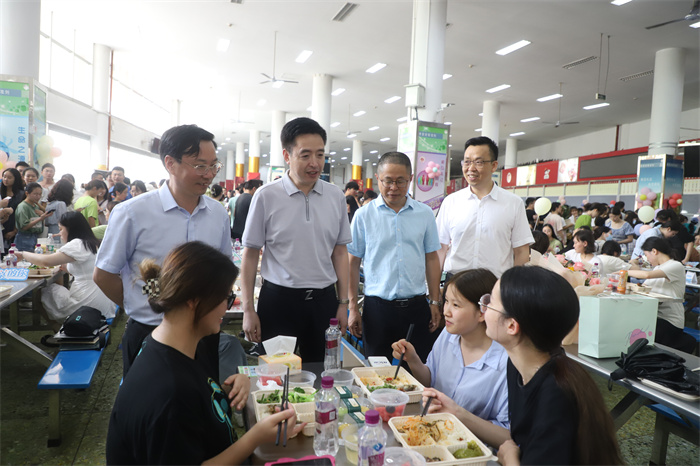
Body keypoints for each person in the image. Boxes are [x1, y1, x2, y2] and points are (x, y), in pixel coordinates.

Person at [106, 241, 302, 465]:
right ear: (194, 300)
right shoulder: (169, 394)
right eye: (226, 298)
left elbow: (195, 399)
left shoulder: (176, 346)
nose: (227, 307)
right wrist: (255, 437)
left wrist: (226, 389)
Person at [424, 266, 623, 465]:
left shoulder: (555, 397)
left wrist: (511, 458)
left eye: (490, 302)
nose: (483, 308)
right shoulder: (519, 369)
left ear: (511, 326)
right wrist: (456, 412)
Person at [94, 124, 231, 377]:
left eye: (214, 166)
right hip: (150, 331)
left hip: (203, 334)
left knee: (203, 396)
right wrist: (144, 303)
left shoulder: (218, 214)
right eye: (200, 166)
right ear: (170, 163)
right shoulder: (132, 213)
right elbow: (104, 274)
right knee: (148, 397)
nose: (209, 175)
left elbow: (223, 272)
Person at [241, 117, 351, 362]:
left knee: (324, 369)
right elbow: (250, 253)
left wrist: (344, 303)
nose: (315, 163)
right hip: (278, 302)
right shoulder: (266, 196)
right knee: (276, 373)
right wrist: (248, 309)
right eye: (305, 155)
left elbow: (340, 252)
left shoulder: (335, 196)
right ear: (287, 155)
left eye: (320, 155)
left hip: (324, 302)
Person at [347, 151, 442, 361]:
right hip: (377, 310)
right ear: (378, 179)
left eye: (400, 181)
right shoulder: (363, 216)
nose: (393, 187)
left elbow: (432, 258)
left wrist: (435, 302)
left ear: (410, 179)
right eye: (387, 181)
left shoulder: (424, 213)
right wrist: (352, 307)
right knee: (376, 371)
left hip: (416, 308)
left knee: (417, 369)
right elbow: (352, 263)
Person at [392, 268, 509, 428]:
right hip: (430, 428)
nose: (446, 312)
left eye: (456, 305)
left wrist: (459, 416)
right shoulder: (448, 335)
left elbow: (506, 431)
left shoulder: (504, 363)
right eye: (446, 301)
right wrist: (413, 359)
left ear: (483, 312)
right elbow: (430, 381)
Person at [436, 136, 533, 278]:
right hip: (455, 281)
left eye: (478, 162)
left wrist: (512, 286)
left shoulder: (513, 203)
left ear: (494, 166)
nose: (471, 168)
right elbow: (440, 248)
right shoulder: (451, 202)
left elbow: (521, 251)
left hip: (495, 283)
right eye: (467, 162)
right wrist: (433, 287)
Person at [16, 211, 115, 325]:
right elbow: (83, 268)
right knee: (56, 290)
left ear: (71, 229)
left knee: (43, 293)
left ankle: (59, 329)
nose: (60, 233)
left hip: (88, 302)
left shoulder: (77, 244)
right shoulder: (91, 242)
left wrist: (23, 254)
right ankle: (62, 329)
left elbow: (45, 261)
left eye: (61, 229)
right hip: (101, 298)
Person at [628, 237, 696, 353]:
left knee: (636, 330)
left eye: (647, 255)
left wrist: (624, 272)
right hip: (655, 317)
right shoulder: (658, 268)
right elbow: (643, 287)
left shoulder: (675, 265)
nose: (647, 260)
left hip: (669, 321)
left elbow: (647, 275)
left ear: (654, 251)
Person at [14, 182, 53, 251]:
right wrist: (40, 218)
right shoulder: (23, 206)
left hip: (35, 237)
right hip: (25, 238)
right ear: (27, 193)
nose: (38, 197)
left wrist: (43, 216)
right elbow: (24, 226)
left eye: (40, 194)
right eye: (35, 194)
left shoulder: (35, 205)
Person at [1, 168, 25, 249]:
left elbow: (21, 214)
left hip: (14, 227)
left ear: (16, 179)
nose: (6, 179)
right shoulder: (1, 192)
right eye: (4, 177)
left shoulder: (21, 195)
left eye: (9, 177)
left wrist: (15, 231)